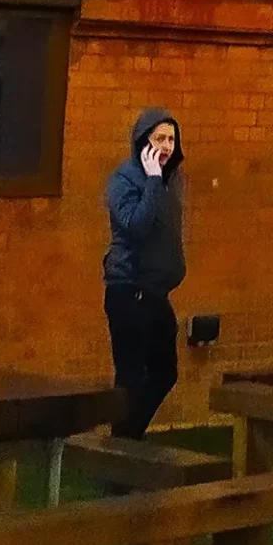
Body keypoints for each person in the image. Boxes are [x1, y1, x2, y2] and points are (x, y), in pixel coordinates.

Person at [103, 108, 186, 436]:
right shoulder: (124, 180)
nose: (166, 146)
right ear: (143, 142)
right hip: (129, 291)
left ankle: (129, 437)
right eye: (158, 139)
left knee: (166, 372)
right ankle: (122, 448)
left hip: (156, 292)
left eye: (171, 139)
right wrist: (152, 180)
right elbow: (136, 226)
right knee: (131, 377)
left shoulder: (169, 181)